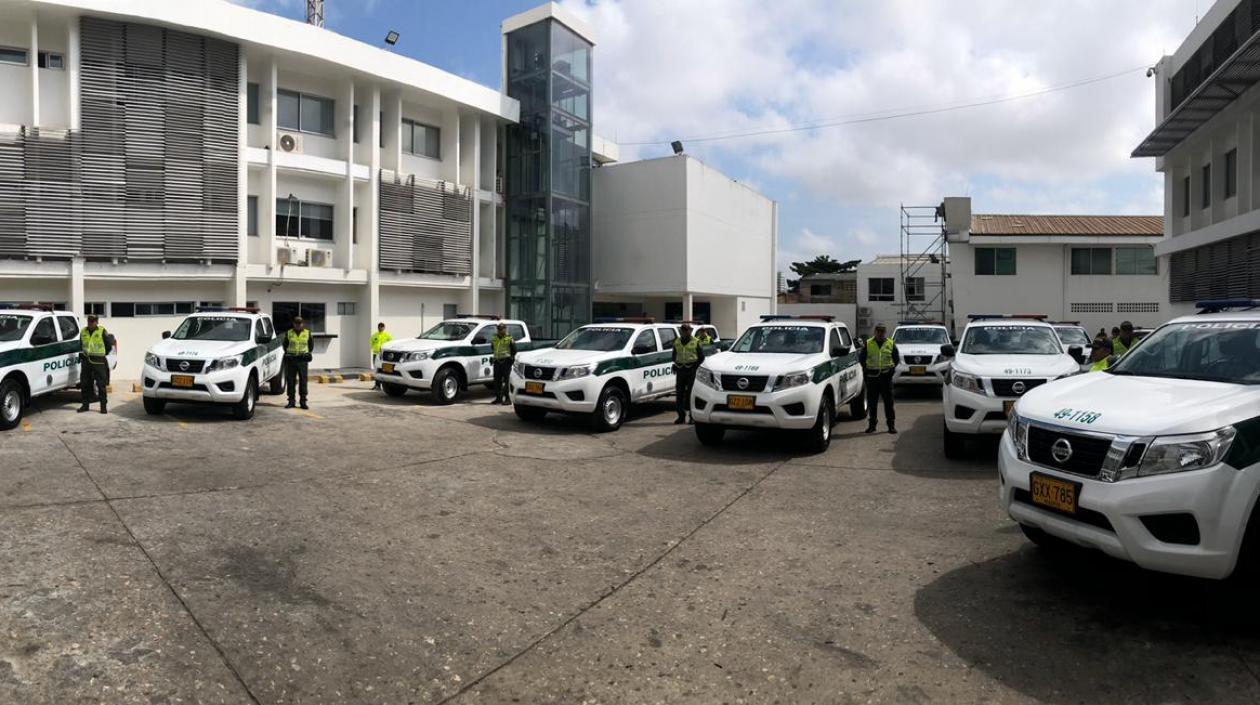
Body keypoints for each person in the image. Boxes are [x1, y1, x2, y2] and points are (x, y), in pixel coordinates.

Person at [859, 323, 899, 434]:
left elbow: (896, 359)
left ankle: (891, 426)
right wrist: (866, 371)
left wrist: (891, 370)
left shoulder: (890, 343)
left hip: (886, 378)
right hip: (872, 377)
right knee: (872, 403)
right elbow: (862, 359)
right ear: (875, 332)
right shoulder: (868, 343)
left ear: (885, 332)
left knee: (889, 403)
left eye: (882, 331)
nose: (880, 333)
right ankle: (872, 425)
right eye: (878, 331)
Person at [78, 314, 113, 414]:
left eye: (93, 321)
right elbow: (81, 345)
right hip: (86, 361)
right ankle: (85, 405)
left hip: (98, 361)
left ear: (97, 322)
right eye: (89, 320)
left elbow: (108, 346)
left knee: (101, 384)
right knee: (85, 384)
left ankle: (103, 407)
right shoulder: (83, 331)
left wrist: (102, 355)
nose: (90, 323)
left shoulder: (102, 331)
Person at [672, 323, 705, 425]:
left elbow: (701, 357)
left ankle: (692, 416)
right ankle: (681, 416)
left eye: (687, 330)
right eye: (683, 330)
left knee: (690, 394)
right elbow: (674, 356)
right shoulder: (677, 341)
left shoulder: (696, 341)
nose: (686, 332)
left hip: (691, 370)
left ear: (690, 331)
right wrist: (675, 364)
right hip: (680, 370)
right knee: (679, 394)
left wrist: (695, 365)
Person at [284, 316, 313, 410]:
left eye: (300, 323)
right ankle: (291, 401)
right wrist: (288, 354)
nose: (298, 325)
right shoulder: (289, 333)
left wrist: (306, 353)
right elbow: (285, 345)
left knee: (303, 381)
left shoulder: (307, 333)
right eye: (296, 323)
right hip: (291, 360)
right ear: (293, 324)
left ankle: (303, 401)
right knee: (291, 381)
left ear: (302, 324)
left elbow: (311, 345)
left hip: (302, 360)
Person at [490, 321, 517, 406]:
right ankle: (498, 398)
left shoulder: (509, 338)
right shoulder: (494, 337)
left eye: (502, 329)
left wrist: (510, 359)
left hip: (506, 362)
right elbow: (492, 347)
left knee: (507, 381)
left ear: (505, 329)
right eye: (499, 329)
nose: (500, 330)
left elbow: (514, 350)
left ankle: (508, 399)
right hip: (497, 361)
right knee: (497, 381)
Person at [369, 322, 392, 389]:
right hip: (376, 354)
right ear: (378, 327)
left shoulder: (387, 336)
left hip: (383, 355)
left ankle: (386, 385)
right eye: (379, 327)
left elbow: (391, 343)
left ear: (384, 328)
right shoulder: (374, 335)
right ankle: (377, 385)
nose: (380, 328)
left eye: (382, 327)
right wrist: (374, 349)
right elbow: (371, 343)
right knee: (376, 370)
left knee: (385, 370)